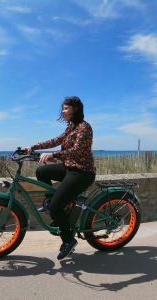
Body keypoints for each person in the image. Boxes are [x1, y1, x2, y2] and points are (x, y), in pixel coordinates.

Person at [25, 96, 96, 260]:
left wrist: (53, 155)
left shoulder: (84, 127)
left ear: (75, 109)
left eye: (66, 108)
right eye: (62, 109)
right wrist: (33, 147)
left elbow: (76, 151)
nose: (62, 111)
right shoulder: (71, 127)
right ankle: (53, 204)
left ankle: (68, 241)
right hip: (68, 168)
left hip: (82, 172)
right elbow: (56, 140)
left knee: (56, 206)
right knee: (42, 172)